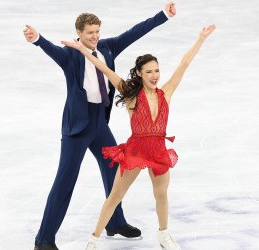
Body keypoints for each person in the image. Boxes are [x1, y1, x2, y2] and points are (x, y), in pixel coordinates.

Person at [23, 2, 176, 250]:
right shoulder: (71, 55)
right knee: (65, 180)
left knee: (115, 169)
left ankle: (115, 222)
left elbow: (135, 32)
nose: (94, 37)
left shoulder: (107, 47)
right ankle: (44, 239)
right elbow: (51, 49)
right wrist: (37, 38)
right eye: (89, 33)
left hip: (99, 123)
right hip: (77, 127)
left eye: (97, 31)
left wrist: (163, 16)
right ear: (79, 33)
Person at [61, 24, 215, 249]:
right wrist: (83, 50)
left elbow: (184, 63)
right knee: (115, 195)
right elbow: (104, 69)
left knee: (161, 195)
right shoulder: (131, 95)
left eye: (157, 71)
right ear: (140, 74)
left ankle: (164, 236)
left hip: (158, 150)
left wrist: (200, 38)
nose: (154, 76)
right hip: (136, 150)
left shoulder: (166, 92)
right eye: (149, 72)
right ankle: (93, 240)